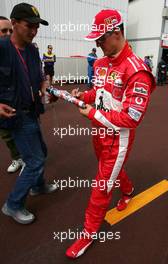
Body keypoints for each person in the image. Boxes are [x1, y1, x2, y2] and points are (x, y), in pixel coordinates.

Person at [66, 9, 156, 258]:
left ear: (117, 33)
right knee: (110, 169)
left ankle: (87, 234)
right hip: (99, 134)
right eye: (95, 39)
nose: (97, 44)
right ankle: (127, 190)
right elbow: (99, 92)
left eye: (101, 39)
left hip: (119, 140)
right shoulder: (101, 62)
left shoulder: (138, 71)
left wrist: (92, 114)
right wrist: (82, 96)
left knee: (101, 187)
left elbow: (130, 119)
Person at [0, 2, 57, 225]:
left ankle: (38, 186)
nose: (34, 31)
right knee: (34, 161)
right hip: (16, 116)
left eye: (37, 27)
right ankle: (13, 205)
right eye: (29, 26)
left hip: (32, 112)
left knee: (41, 151)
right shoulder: (2, 48)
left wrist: (46, 89)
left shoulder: (33, 50)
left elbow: (40, 78)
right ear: (14, 24)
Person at [0, 16, 24, 173]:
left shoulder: (18, 52)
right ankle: (17, 158)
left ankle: (28, 160)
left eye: (10, 30)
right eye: (3, 30)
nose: (8, 33)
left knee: (24, 134)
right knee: (7, 136)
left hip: (19, 106)